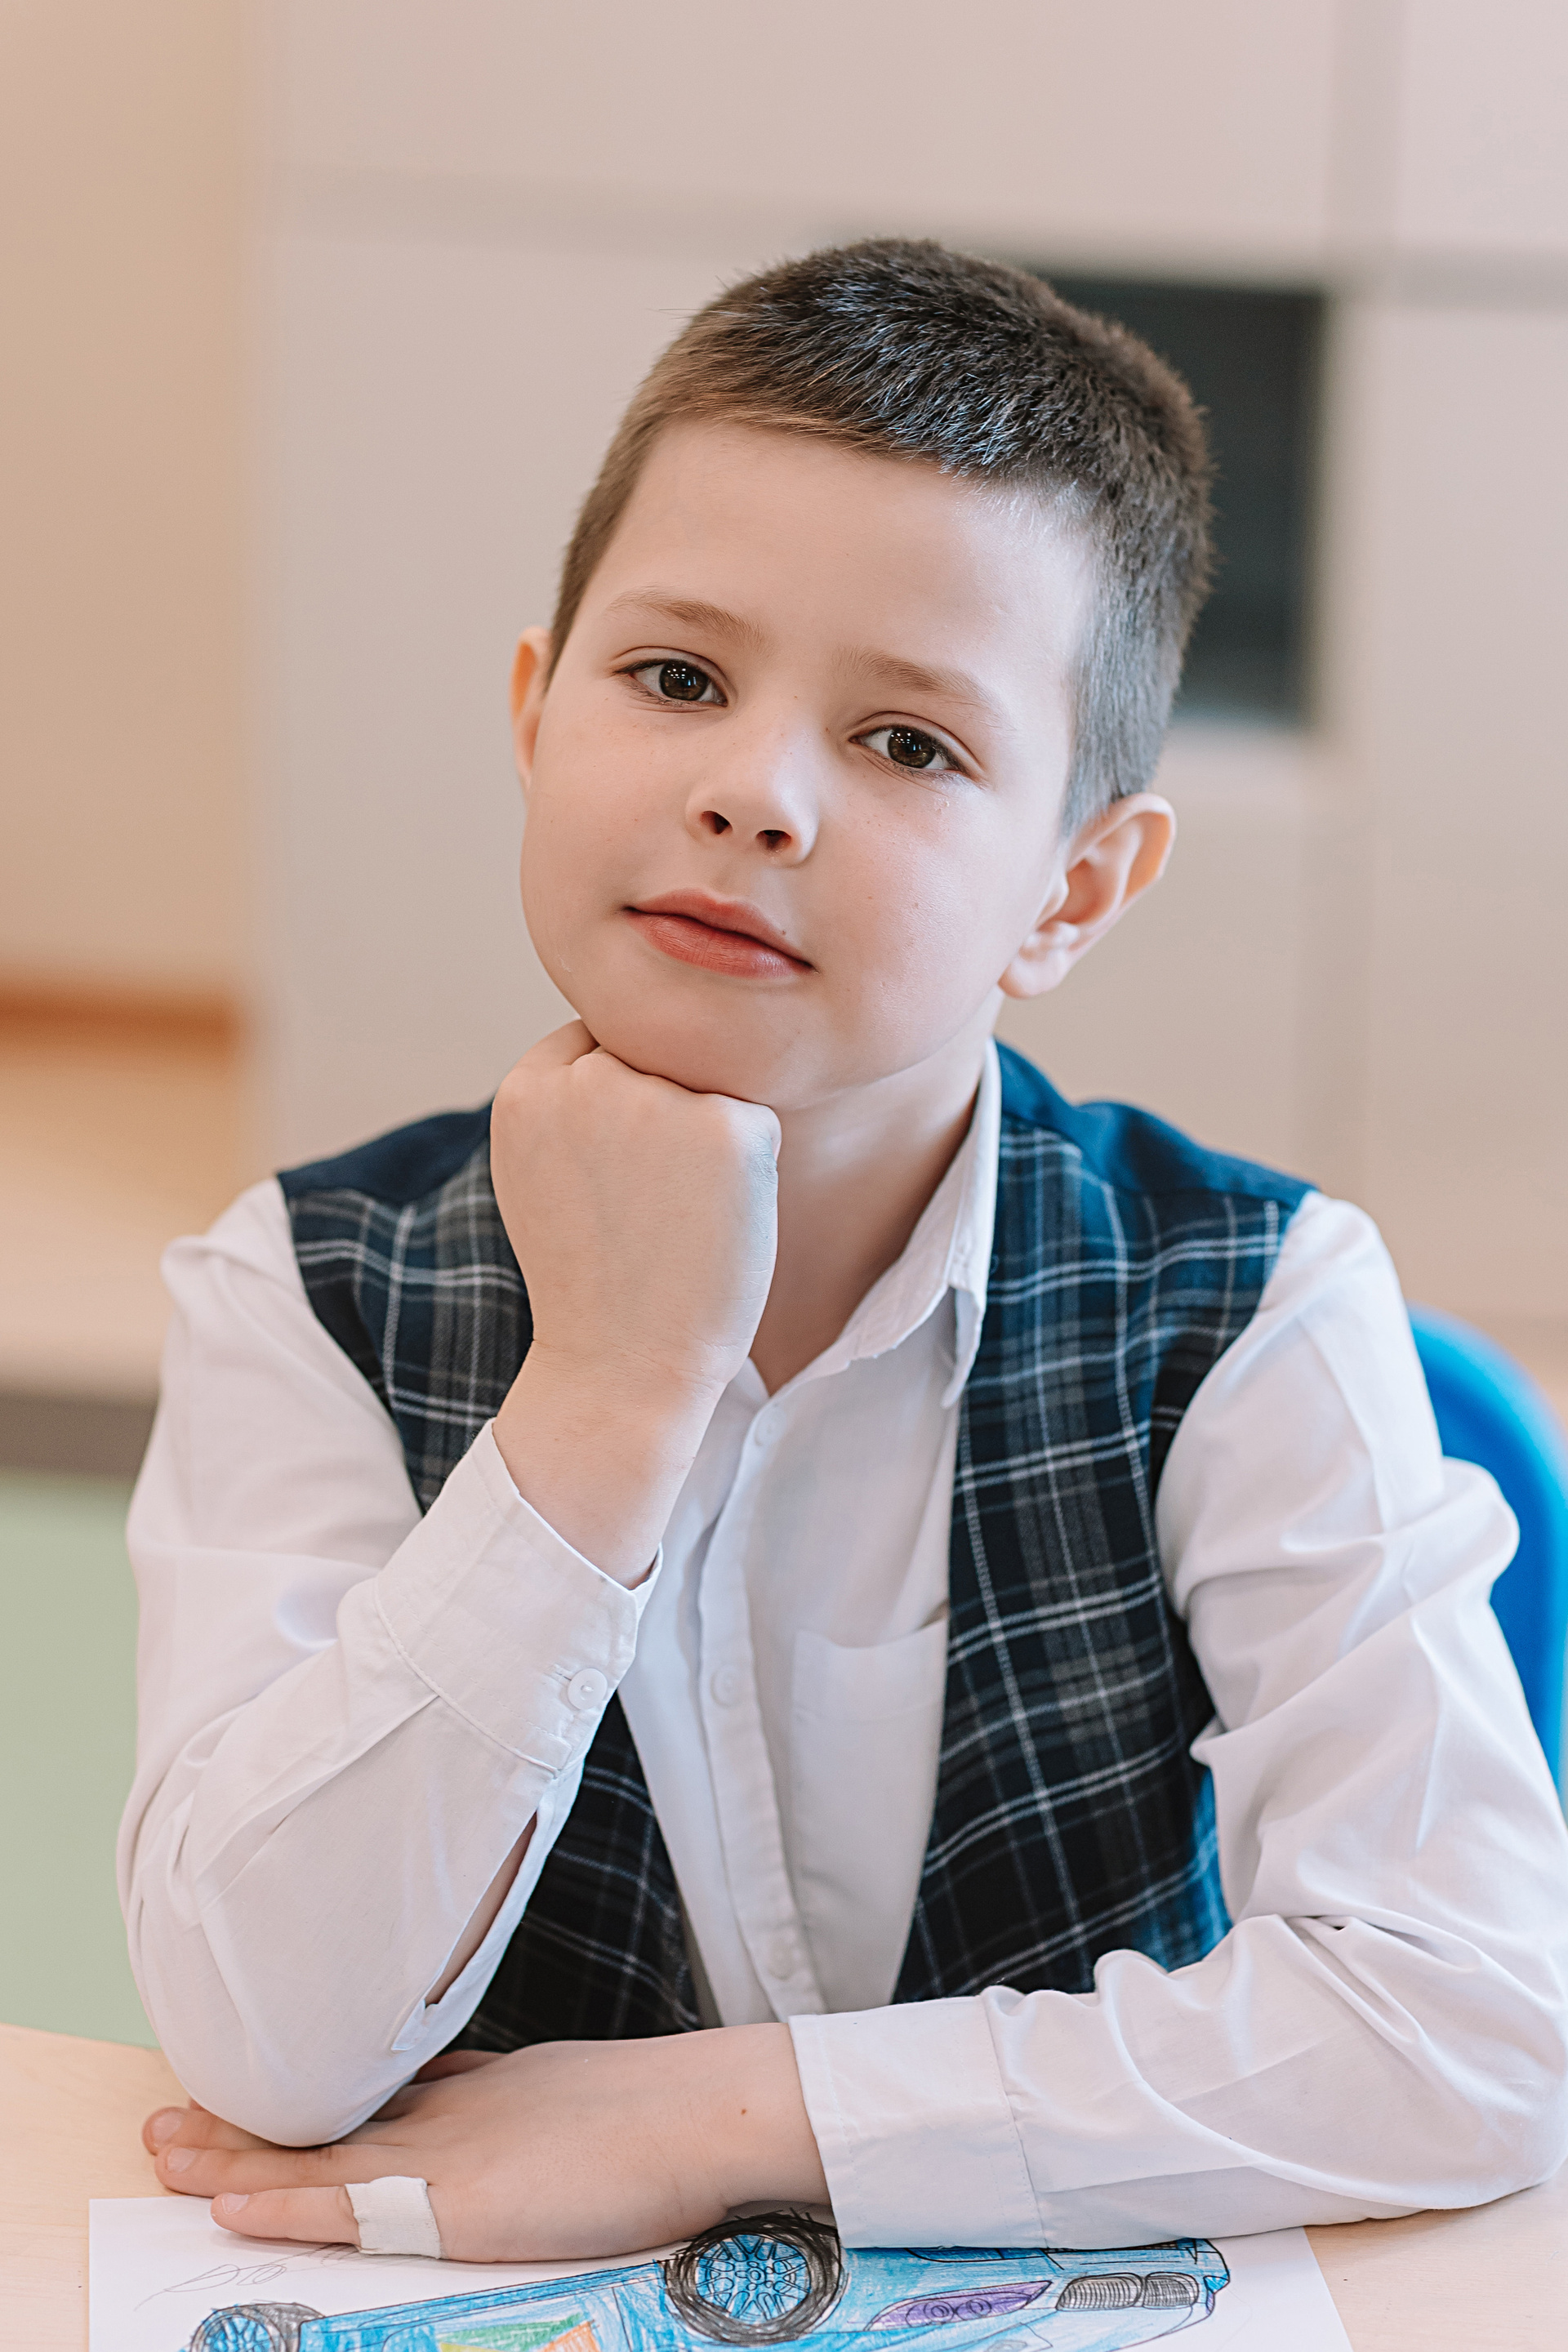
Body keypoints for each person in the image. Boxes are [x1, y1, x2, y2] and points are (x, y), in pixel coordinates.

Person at [122, 240, 1568, 2264]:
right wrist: (606, 1396)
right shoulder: (302, 1287)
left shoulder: (1252, 1304)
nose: (753, 794)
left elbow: (1473, 2021)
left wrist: (720, 2121)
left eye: (909, 743)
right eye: (677, 679)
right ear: (536, 714)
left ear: (1074, 888)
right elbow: (268, 2044)